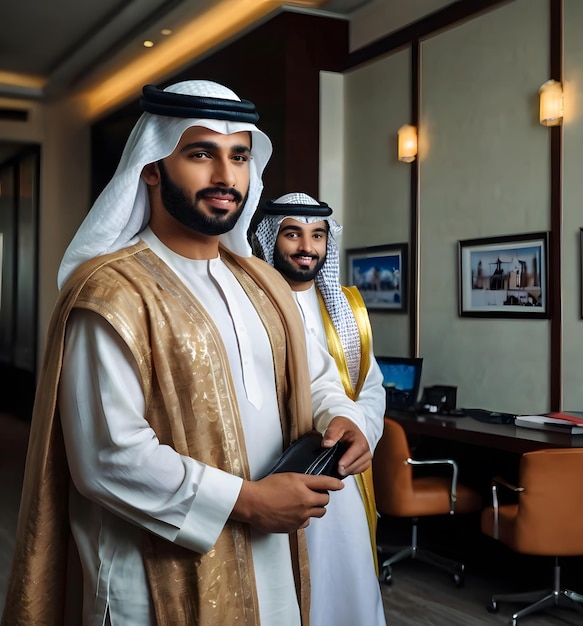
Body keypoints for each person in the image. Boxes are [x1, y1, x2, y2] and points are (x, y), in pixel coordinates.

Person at [1, 81, 374, 626]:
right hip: (151, 581)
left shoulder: (262, 284)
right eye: (201, 154)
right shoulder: (112, 292)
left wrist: (344, 415)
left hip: (272, 564)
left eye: (239, 157)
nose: (226, 177)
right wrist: (247, 501)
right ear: (152, 166)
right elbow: (107, 457)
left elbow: (314, 377)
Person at [254, 192, 386, 626]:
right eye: (293, 234)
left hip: (343, 470)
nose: (306, 247)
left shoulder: (346, 306)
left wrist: (360, 429)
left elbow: (370, 385)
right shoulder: (252, 301)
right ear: (272, 238)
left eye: (317, 236)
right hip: (276, 471)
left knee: (348, 585)